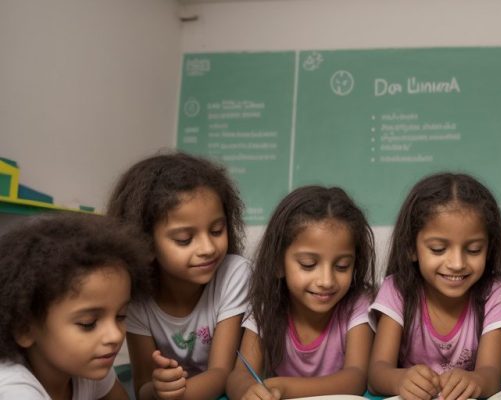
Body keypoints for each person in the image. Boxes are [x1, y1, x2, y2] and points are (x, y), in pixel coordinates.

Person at [107, 152, 251, 400]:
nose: (208, 248)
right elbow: (143, 386)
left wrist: (172, 397)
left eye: (217, 230)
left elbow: (222, 373)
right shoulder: (135, 296)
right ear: (145, 243)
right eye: (185, 239)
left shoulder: (233, 274)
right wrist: (158, 389)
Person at [367, 173, 501, 400]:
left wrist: (475, 381)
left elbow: (491, 376)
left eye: (473, 250)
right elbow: (377, 374)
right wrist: (401, 380)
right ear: (411, 247)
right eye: (438, 249)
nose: (457, 264)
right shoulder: (397, 289)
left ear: (489, 249)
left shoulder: (495, 293)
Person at [227, 186, 376, 399]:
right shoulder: (267, 307)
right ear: (278, 263)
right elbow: (238, 376)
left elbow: (356, 378)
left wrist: (284, 387)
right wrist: (247, 390)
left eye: (342, 266)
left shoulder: (357, 305)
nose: (326, 281)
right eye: (308, 264)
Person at [0, 214, 151, 400]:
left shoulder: (88, 364)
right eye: (88, 323)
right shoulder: (13, 391)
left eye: (120, 316)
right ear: (24, 328)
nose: (115, 335)